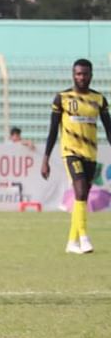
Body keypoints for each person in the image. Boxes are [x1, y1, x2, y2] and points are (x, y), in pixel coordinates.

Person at [41, 58, 111, 254]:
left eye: (85, 74)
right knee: (80, 191)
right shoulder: (62, 98)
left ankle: (71, 242)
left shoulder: (99, 100)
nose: (81, 77)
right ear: (73, 75)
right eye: (78, 74)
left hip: (90, 154)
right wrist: (45, 159)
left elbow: (109, 130)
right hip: (71, 153)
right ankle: (84, 238)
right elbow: (53, 130)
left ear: (91, 75)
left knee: (82, 198)